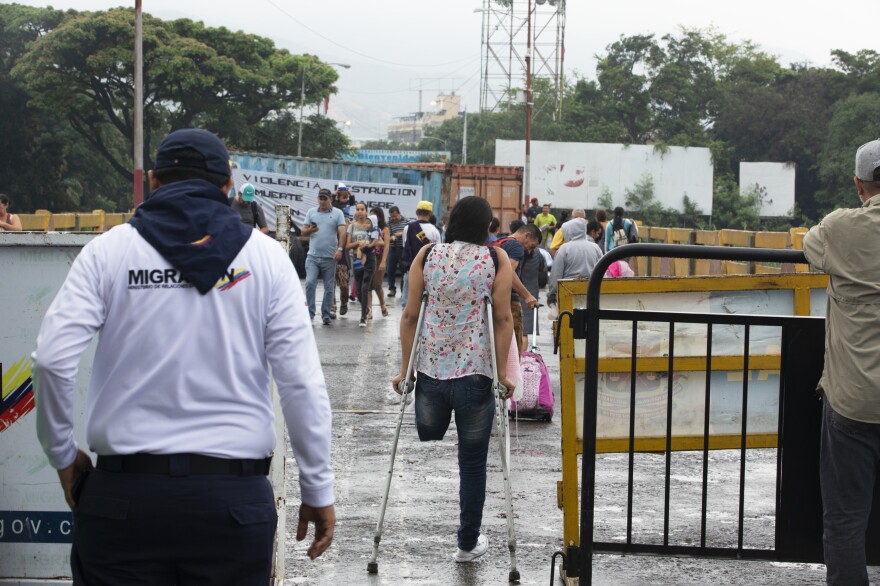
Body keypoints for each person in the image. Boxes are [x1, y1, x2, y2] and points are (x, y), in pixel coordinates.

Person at [32, 128, 335, 584]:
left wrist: (62, 454)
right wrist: (316, 485)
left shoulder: (107, 252)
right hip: (232, 508)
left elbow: (52, 360)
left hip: (122, 503)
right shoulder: (267, 259)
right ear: (228, 187)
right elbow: (301, 384)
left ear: (154, 181)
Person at [392, 195, 514, 563]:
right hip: (476, 375)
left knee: (430, 432)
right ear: (487, 226)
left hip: (430, 375)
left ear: (452, 221)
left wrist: (404, 370)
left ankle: (433, 424)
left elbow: (411, 316)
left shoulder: (427, 255)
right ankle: (466, 544)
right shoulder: (496, 259)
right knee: (473, 463)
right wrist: (504, 374)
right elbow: (504, 319)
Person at [802, 138, 880, 586]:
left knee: (847, 521)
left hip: (853, 400)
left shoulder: (839, 228)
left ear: (858, 184)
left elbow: (812, 247)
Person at [494, 224, 541, 353]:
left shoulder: (500, 242)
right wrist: (527, 296)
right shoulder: (516, 246)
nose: (530, 251)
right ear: (527, 235)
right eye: (532, 246)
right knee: (514, 346)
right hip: (509, 301)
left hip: (493, 299)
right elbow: (508, 272)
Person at [302, 188, 346, 326]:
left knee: (329, 287)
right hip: (313, 256)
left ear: (330, 199)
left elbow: (342, 232)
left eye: (325, 198)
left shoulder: (338, 213)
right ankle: (309, 314)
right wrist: (310, 230)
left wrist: (340, 249)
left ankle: (326, 314)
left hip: (330, 257)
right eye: (320, 198)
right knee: (309, 283)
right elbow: (303, 231)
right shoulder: (311, 212)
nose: (322, 201)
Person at [547, 219, 603, 306]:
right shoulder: (596, 248)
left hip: (568, 292)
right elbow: (602, 271)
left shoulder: (564, 249)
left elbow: (556, 274)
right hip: (591, 291)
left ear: (568, 232)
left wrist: (551, 294)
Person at [399, 201, 442, 312]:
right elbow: (438, 252)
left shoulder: (408, 228)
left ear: (417, 212)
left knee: (407, 299)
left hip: (411, 268)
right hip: (428, 270)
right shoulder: (435, 231)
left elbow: (405, 247)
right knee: (425, 299)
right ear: (430, 213)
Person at [347, 202, 382, 327]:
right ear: (355, 211)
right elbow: (347, 245)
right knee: (359, 291)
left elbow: (381, 242)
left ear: (366, 211)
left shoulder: (371, 226)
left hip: (370, 259)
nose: (360, 211)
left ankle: (363, 318)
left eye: (362, 209)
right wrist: (358, 244)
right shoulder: (352, 226)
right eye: (358, 209)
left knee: (365, 287)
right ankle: (366, 309)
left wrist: (370, 244)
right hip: (357, 261)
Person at [331, 186, 355, 318]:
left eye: (347, 198)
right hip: (330, 251)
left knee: (344, 283)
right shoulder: (334, 208)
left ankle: (344, 303)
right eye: (343, 197)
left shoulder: (347, 219)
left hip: (343, 255)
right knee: (331, 283)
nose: (346, 200)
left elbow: (352, 200)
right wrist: (335, 194)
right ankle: (332, 307)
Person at [369, 207, 391, 318]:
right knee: (367, 285)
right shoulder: (368, 227)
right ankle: (369, 311)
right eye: (371, 215)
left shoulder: (384, 229)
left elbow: (387, 245)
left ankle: (382, 305)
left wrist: (383, 261)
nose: (373, 218)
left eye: (375, 215)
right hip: (369, 258)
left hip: (379, 259)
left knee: (377, 285)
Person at [386, 206, 407, 298]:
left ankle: (403, 291)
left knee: (404, 271)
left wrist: (400, 234)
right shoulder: (388, 223)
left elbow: (409, 232)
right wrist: (392, 238)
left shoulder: (406, 222)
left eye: (395, 216)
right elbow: (386, 236)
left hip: (403, 249)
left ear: (399, 213)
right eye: (392, 217)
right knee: (390, 270)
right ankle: (392, 289)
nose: (394, 218)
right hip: (392, 249)